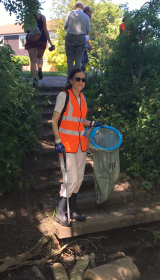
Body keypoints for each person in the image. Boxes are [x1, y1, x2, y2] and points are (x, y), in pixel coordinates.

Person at [51, 68, 103, 227]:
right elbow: (54, 121)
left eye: (83, 80)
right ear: (71, 80)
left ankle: (72, 210)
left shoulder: (82, 97)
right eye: (78, 79)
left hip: (81, 143)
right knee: (71, 178)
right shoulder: (63, 96)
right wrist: (57, 141)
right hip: (66, 143)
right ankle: (60, 213)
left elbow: (80, 121)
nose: (81, 82)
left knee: (79, 178)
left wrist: (92, 123)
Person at [24, 1, 54, 87]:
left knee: (33, 61)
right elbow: (45, 30)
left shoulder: (27, 17)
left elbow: (25, 30)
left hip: (31, 40)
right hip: (41, 39)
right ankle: (40, 69)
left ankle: (34, 80)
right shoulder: (42, 17)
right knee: (40, 57)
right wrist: (51, 43)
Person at [64, 1, 90, 83]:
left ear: (75, 8)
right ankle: (77, 78)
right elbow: (87, 32)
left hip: (70, 37)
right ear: (82, 8)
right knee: (78, 59)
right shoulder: (86, 16)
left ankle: (69, 78)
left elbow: (65, 27)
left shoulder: (70, 13)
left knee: (70, 59)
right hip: (81, 37)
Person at [81, 6, 93, 73]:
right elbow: (86, 33)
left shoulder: (82, 18)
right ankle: (81, 75)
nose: (91, 13)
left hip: (81, 42)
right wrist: (89, 44)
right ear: (87, 12)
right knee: (84, 60)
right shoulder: (86, 18)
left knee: (84, 60)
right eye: (91, 12)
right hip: (83, 43)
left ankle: (81, 74)